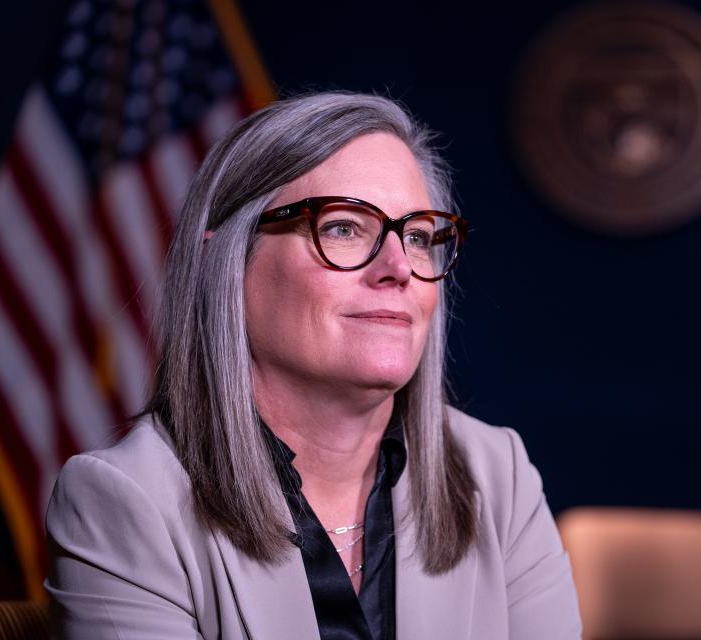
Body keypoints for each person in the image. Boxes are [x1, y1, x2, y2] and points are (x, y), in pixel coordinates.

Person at [44, 92, 582, 639]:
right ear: (225, 264)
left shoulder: (498, 476)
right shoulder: (125, 500)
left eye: (418, 236)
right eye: (344, 228)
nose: (398, 267)